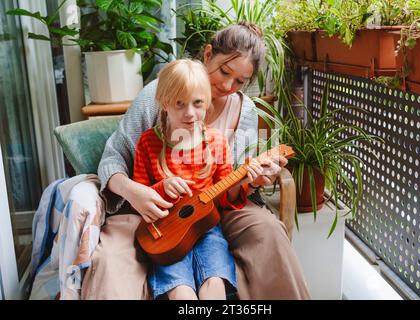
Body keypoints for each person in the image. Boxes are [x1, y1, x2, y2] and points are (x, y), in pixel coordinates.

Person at [81, 22, 310, 300]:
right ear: (208, 53)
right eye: (225, 71)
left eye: (240, 81)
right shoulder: (163, 92)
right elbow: (113, 157)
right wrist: (135, 191)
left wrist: (254, 181)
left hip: (218, 209)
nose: (227, 86)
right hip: (153, 209)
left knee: (269, 233)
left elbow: (234, 182)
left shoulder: (245, 111)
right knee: (111, 260)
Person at [133, 59, 263, 300]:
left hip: (207, 229)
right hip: (166, 231)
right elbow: (139, 195)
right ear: (164, 103)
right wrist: (162, 187)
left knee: (214, 284)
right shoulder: (148, 143)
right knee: (180, 291)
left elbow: (224, 199)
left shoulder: (217, 143)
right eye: (179, 104)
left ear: (207, 104)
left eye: (197, 103)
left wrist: (246, 182)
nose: (190, 113)